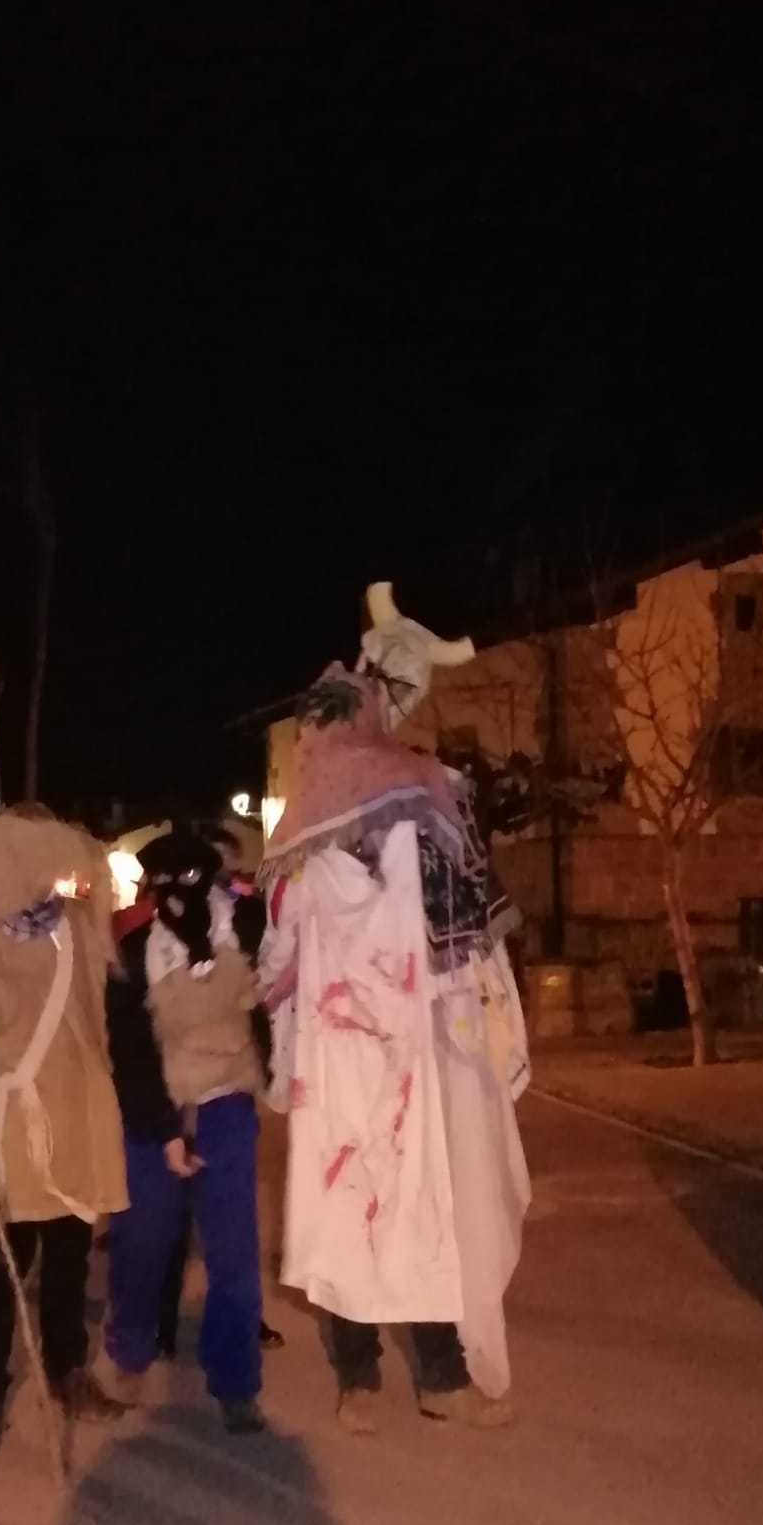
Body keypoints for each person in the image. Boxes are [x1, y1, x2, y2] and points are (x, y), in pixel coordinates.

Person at [259, 581, 532, 1435]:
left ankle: (419, 1376)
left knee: (406, 1199)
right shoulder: (406, 790)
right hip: (364, 1049)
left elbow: (452, 923)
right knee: (371, 1202)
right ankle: (377, 1378)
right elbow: (294, 943)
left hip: (396, 1042)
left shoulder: (372, 804)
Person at [0, 806, 130, 1452]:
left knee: (68, 1254)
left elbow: (98, 1012)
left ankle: (68, 1370)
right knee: (1, 1260)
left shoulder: (76, 926)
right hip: (16, 1116)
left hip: (78, 1110)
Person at [98, 830, 268, 1433]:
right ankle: (129, 1354)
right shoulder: (133, 948)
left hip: (227, 1105)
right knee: (141, 1242)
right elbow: (129, 1046)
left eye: (189, 881)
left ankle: (236, 1379)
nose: (177, 896)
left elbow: (274, 1003)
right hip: (156, 1112)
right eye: (163, 885)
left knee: (233, 1250)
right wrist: (165, 1128)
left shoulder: (248, 927)